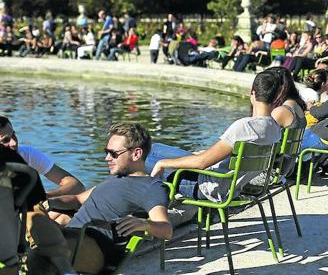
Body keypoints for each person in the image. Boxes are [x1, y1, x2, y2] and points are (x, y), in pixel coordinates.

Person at [27, 122, 172, 275]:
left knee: (36, 250)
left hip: (95, 247)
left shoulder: (150, 187)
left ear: (136, 154)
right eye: (106, 152)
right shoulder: (114, 179)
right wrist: (48, 202)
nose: (106, 158)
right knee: (27, 202)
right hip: (71, 236)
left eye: (113, 154)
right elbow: (77, 199)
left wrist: (145, 224)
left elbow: (166, 229)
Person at [150, 70, 283, 202]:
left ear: (252, 92)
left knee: (150, 154)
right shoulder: (276, 130)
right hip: (231, 186)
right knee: (158, 149)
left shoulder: (245, 126)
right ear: (277, 97)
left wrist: (162, 163)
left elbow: (201, 163)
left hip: (207, 187)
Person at [0, 115, 85, 198]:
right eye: (5, 140)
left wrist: (46, 197)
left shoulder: (28, 154)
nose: (14, 143)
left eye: (13, 135)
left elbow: (77, 187)